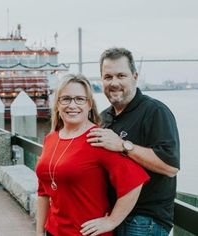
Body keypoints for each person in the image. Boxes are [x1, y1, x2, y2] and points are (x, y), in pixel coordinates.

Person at [35, 74, 150, 236]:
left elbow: (135, 182)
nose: (72, 105)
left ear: (89, 104)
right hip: (53, 230)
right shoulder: (50, 139)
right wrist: (39, 232)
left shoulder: (98, 138)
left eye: (80, 99)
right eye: (66, 99)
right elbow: (43, 193)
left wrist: (112, 221)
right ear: (57, 105)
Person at [87, 47, 180, 235]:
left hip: (143, 220)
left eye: (121, 75)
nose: (114, 83)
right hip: (113, 215)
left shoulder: (155, 111)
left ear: (135, 76)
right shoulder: (104, 117)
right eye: (108, 77)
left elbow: (170, 167)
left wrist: (123, 145)